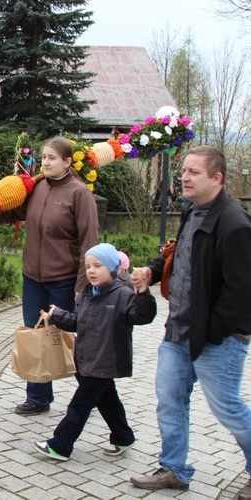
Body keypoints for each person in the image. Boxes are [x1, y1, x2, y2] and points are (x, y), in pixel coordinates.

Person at [129, 146, 251, 498]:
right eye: (184, 170)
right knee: (169, 399)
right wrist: (151, 272)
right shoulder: (192, 211)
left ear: (217, 178)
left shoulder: (235, 224)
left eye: (194, 172)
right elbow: (177, 257)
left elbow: (241, 293)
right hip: (177, 331)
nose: (184, 176)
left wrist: (211, 333)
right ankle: (174, 469)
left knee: (228, 409)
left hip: (217, 340)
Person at [0, 136, 99, 415]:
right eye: (44, 157)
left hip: (63, 280)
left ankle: (95, 392)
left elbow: (89, 243)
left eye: (52, 158)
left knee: (70, 340)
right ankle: (38, 397)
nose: (46, 162)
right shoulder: (37, 188)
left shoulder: (79, 194)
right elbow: (14, 212)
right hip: (33, 279)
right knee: (36, 336)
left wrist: (82, 284)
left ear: (66, 161)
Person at [33, 243, 156, 462]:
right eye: (88, 266)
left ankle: (60, 445)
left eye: (97, 266)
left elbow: (142, 316)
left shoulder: (123, 295)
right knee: (108, 400)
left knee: (80, 405)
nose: (91, 270)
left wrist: (143, 291)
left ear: (111, 268)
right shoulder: (87, 295)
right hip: (85, 360)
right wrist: (57, 314)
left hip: (106, 361)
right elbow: (78, 322)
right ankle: (123, 436)